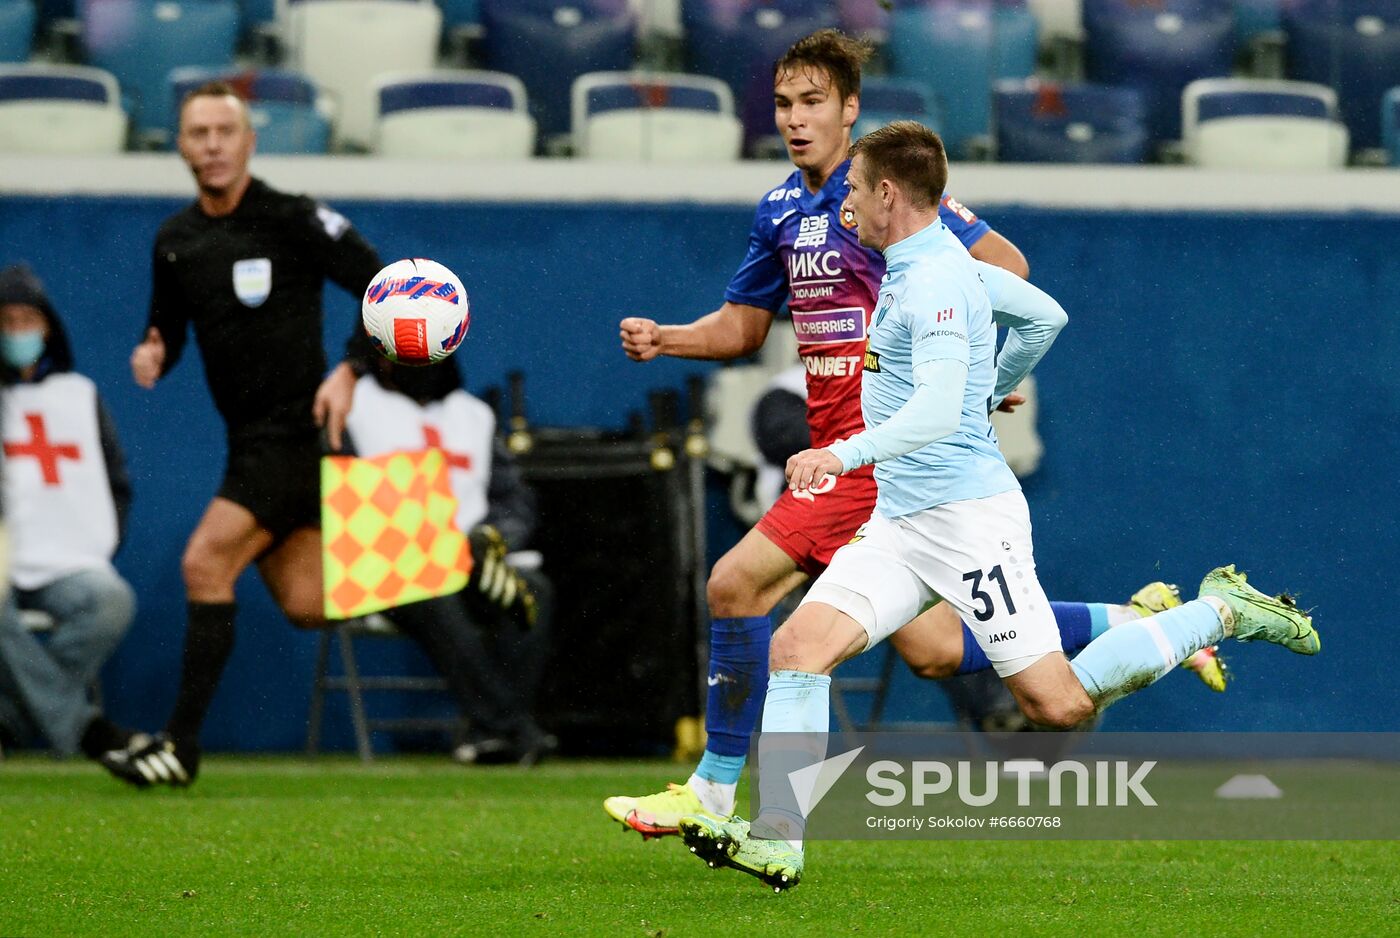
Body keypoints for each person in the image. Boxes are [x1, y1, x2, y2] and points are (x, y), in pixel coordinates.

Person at [605, 29, 1223, 838]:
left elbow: (1009, 267)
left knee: (734, 584)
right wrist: (669, 337)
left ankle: (715, 792)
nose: (796, 119)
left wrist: (964, 374)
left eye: (814, 102)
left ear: (850, 109)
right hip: (851, 454)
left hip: (876, 453)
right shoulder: (781, 211)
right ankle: (1132, 619)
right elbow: (744, 326)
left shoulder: (884, 196)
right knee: (934, 649)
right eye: (785, 104)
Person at [679, 121, 1320, 890]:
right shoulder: (933, 263)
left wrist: (840, 451)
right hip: (899, 520)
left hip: (968, 523)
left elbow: (941, 410)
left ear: (888, 193)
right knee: (797, 651)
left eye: (854, 189)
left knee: (1059, 705)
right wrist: (989, 387)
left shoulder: (936, 283)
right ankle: (779, 838)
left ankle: (1219, 611)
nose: (843, 202)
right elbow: (1047, 315)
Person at [100, 81, 384, 788]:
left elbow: (386, 285)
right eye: (199, 133)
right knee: (307, 602)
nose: (214, 145)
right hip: (246, 441)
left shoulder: (291, 217)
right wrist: (154, 350)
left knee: (205, 563)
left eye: (226, 131)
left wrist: (351, 368)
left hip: (295, 434)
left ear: (250, 141)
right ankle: (459, 558)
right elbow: (167, 323)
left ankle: (179, 747)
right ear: (181, 146)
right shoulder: (176, 240)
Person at [344, 355, 556, 765]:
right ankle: (511, 728)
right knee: (437, 595)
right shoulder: (354, 405)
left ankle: (491, 730)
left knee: (535, 593)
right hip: (393, 562)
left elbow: (513, 500)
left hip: (473, 559)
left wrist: (492, 538)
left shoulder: (474, 415)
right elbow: (341, 490)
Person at [0, 263, 139, 762]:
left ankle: (9, 721)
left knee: (111, 602)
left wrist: (98, 541)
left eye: (27, 320)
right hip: (3, 561)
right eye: (6, 321)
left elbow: (114, 482)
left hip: (66, 559)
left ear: (48, 328)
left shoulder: (80, 396)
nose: (17, 333)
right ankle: (84, 730)